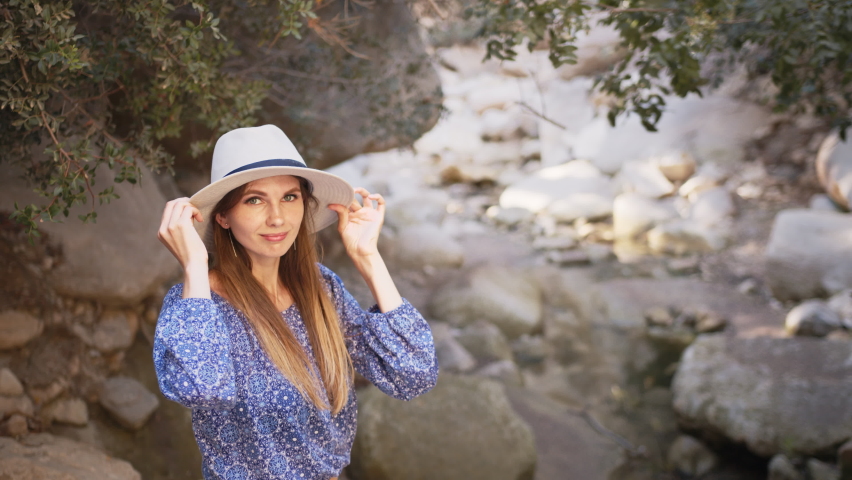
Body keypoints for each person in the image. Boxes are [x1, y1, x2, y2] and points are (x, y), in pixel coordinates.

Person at [153, 124, 438, 480]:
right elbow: (202, 389)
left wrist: (368, 257)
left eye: (289, 197)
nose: (277, 217)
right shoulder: (196, 306)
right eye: (254, 200)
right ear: (223, 216)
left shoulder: (321, 288)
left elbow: (414, 375)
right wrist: (194, 265)